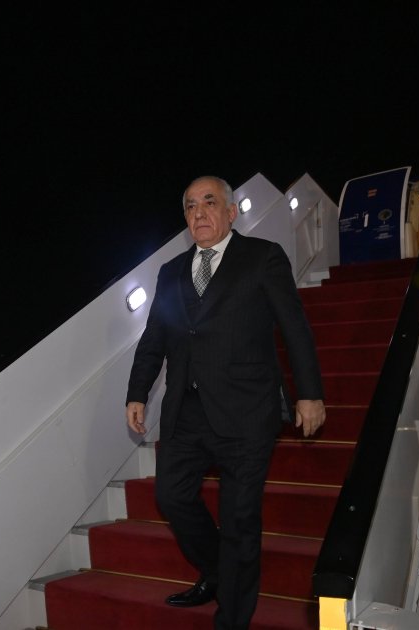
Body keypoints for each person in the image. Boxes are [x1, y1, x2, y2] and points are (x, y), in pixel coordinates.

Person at [125, 175, 326, 630]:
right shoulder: (171, 271)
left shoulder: (262, 258)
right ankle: (219, 572)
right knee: (171, 497)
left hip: (246, 412)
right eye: (190, 205)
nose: (198, 212)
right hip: (186, 411)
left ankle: (232, 618)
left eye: (209, 202)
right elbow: (155, 336)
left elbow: (294, 327)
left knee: (239, 520)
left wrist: (310, 394)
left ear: (231, 212)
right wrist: (137, 392)